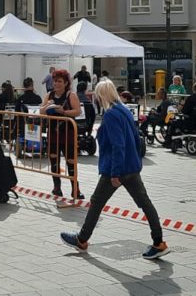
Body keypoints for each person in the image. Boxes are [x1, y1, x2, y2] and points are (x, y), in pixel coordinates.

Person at [61, 79, 169, 260]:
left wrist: (115, 173)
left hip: (116, 168)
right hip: (132, 167)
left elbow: (117, 145)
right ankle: (158, 242)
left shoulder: (111, 114)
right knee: (145, 203)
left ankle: (82, 240)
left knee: (96, 202)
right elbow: (135, 137)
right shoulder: (124, 110)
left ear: (101, 95)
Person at [44, 69, 83, 199]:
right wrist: (46, 107)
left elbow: (78, 111)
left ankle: (75, 189)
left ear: (66, 83)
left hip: (68, 133)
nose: (56, 84)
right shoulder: (49, 95)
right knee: (54, 160)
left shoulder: (71, 95)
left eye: (59, 81)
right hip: (53, 133)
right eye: (55, 81)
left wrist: (64, 112)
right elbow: (40, 112)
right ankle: (57, 187)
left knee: (71, 161)